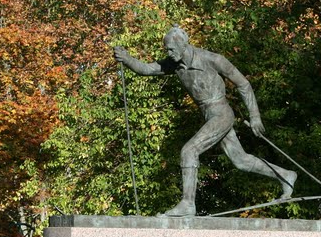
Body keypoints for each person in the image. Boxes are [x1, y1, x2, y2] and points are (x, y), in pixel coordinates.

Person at [113, 25, 296, 217]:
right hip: (209, 116)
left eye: (171, 49)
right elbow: (146, 69)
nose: (168, 53)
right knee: (241, 161)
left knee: (189, 150)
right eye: (166, 50)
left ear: (183, 45)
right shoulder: (174, 64)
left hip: (221, 113)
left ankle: (187, 204)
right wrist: (127, 59)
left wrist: (255, 116)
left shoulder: (212, 59)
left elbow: (243, 84)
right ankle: (285, 175)